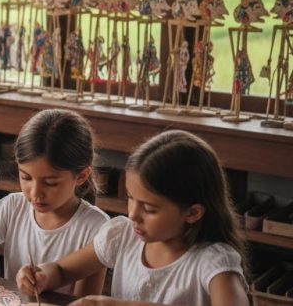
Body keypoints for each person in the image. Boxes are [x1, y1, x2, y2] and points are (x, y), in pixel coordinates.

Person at [19, 130, 249, 306]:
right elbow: (62, 270)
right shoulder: (123, 235)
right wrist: (41, 275)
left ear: (192, 213)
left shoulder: (213, 263)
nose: (132, 215)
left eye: (149, 209)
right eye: (130, 198)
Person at [0, 109, 109, 296]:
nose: (35, 193)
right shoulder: (13, 206)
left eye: (50, 183)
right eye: (26, 177)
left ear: (81, 176)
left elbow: (84, 301)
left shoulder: (97, 229)